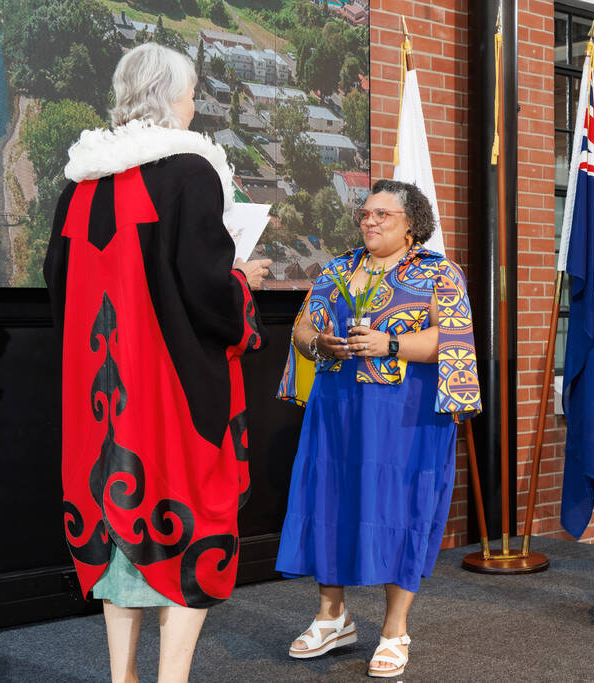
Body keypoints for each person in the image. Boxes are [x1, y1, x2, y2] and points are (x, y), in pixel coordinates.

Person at [43, 43, 270, 683]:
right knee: (189, 522)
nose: (195, 105)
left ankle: (123, 677)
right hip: (171, 390)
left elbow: (57, 284)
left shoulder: (81, 179)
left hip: (98, 392)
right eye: (192, 93)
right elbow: (204, 290)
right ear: (173, 98)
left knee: (116, 528)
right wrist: (242, 284)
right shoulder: (189, 171)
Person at [274, 179, 481, 677]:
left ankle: (394, 629)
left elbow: (452, 339)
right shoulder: (338, 268)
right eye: (365, 214)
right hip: (337, 409)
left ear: (411, 223)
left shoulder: (440, 274)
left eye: (382, 215)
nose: (369, 221)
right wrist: (318, 344)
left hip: (406, 416)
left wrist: (391, 345)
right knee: (329, 501)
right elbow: (303, 326)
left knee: (401, 509)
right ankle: (332, 617)